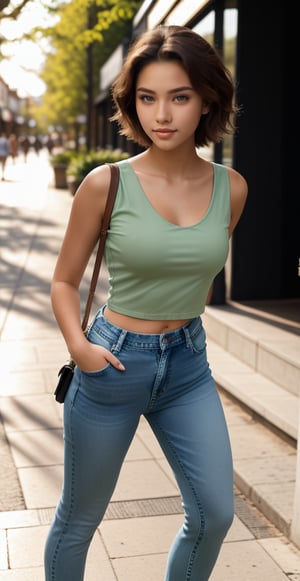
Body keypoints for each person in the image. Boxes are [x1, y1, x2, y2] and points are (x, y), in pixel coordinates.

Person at [44, 24, 248, 580]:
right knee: (79, 520)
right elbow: (63, 281)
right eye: (147, 97)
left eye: (179, 97)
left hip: (187, 365)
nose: (162, 114)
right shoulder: (105, 184)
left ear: (206, 99)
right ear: (132, 102)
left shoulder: (232, 188)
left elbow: (197, 271)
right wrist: (79, 347)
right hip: (112, 363)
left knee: (215, 513)